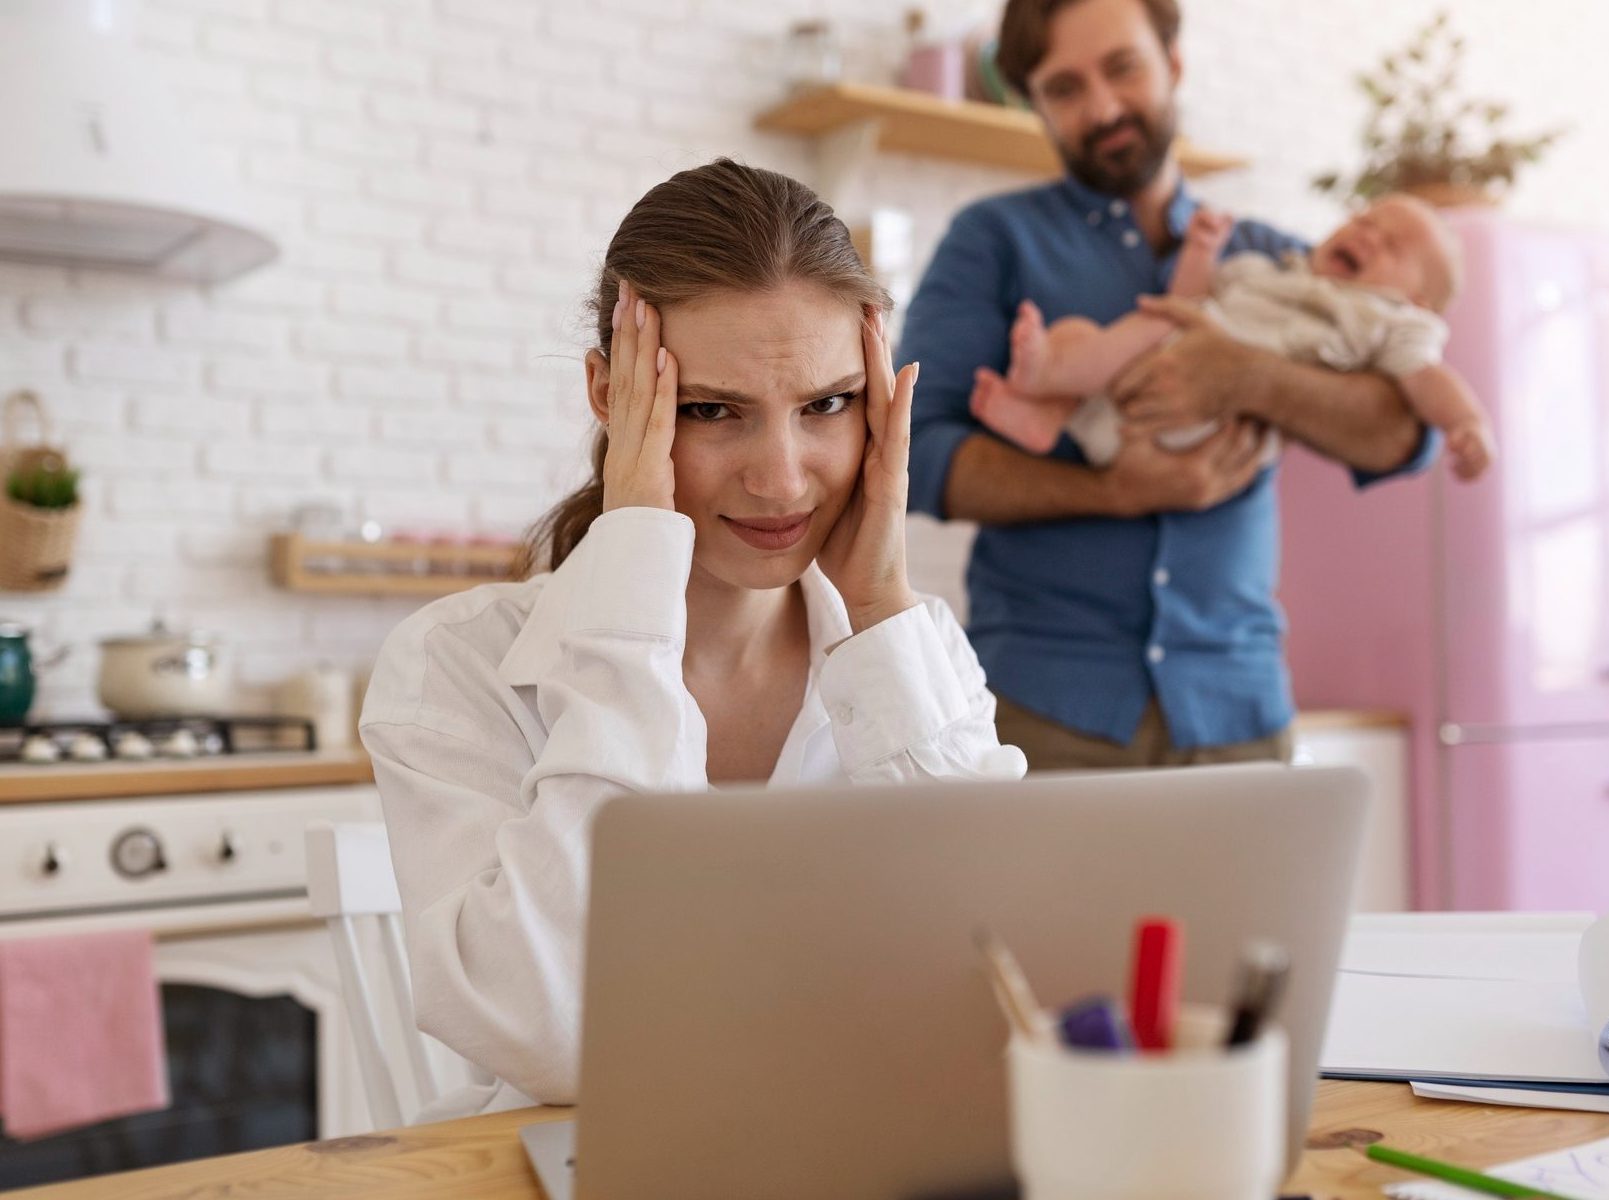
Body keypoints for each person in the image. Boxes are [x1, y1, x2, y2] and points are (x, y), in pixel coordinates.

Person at [360, 159, 1027, 1118]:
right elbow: (559, 1037)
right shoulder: (454, 665)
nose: (783, 480)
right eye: (712, 411)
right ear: (609, 393)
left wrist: (880, 603)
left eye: (826, 405)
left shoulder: (912, 655)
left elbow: (1010, 996)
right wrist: (635, 577)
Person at [902, 0, 1440, 772]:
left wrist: (1249, 376)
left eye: (1122, 68)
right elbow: (914, 456)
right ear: (1035, 106)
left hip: (1241, 714)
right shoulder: (991, 241)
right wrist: (1116, 491)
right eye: (1065, 88)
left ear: (1174, 61)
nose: (1104, 108)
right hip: (1043, 712)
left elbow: (1402, 436)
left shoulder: (1280, 266)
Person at [969, 195, 1494, 481]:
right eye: (1363, 219)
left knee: (1152, 323)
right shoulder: (1273, 268)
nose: (1365, 234)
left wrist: (1465, 420)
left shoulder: (1393, 320)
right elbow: (1192, 300)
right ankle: (1052, 411)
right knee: (1089, 331)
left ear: (1418, 300)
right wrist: (1201, 253)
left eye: (1393, 245)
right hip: (1134, 403)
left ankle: (1046, 379)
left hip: (1212, 435)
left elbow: (1425, 384)